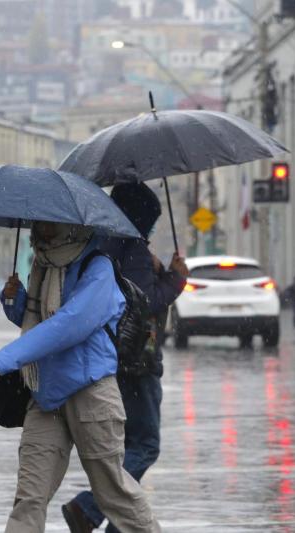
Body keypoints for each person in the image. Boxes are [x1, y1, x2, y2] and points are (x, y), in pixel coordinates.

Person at [0, 221, 161, 533]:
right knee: (29, 497)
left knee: (114, 494)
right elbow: (35, 319)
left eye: (50, 220)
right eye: (40, 219)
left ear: (73, 225)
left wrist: (10, 357)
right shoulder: (44, 265)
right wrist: (14, 299)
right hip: (45, 394)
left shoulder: (98, 267)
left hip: (90, 391)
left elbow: (70, 324)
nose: (43, 226)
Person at [61, 182, 187, 532]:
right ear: (142, 219)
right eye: (151, 222)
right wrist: (175, 280)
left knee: (124, 449)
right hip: (136, 361)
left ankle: (118, 523)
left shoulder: (101, 243)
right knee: (145, 446)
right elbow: (142, 302)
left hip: (110, 358)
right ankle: (88, 508)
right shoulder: (130, 247)